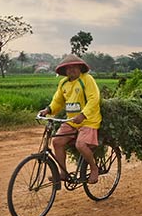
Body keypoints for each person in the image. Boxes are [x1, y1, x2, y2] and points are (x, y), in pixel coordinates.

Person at [38, 54, 101, 188]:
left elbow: (94, 99)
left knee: (81, 145)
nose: (71, 70)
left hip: (88, 121)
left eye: (74, 67)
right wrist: (48, 110)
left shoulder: (87, 79)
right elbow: (58, 101)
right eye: (68, 68)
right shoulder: (64, 83)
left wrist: (83, 115)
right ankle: (63, 173)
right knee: (57, 141)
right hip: (71, 121)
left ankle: (94, 168)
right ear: (65, 71)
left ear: (80, 68)